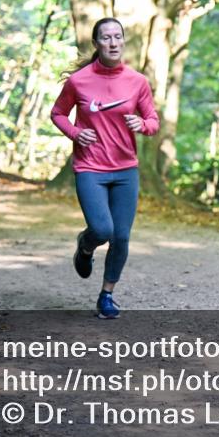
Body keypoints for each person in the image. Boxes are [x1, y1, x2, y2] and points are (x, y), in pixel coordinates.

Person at [50, 17, 159, 319]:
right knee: (102, 229)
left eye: (117, 37)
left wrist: (142, 124)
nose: (113, 42)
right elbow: (58, 113)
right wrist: (75, 133)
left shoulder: (137, 82)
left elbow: (153, 121)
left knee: (121, 237)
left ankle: (107, 295)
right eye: (106, 37)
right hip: (91, 167)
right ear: (96, 43)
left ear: (123, 41)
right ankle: (85, 247)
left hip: (125, 169)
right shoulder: (79, 81)